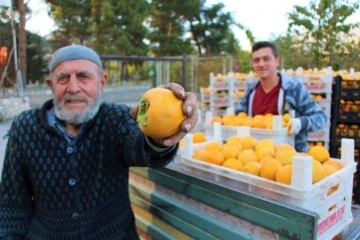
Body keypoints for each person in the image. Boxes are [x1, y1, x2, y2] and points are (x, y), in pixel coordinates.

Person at [0, 45, 199, 239]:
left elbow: (144, 149)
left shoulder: (116, 118)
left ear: (102, 83)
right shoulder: (24, 127)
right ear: (51, 85)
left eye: (83, 77)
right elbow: (12, 205)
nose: (73, 88)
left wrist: (162, 131)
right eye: (63, 78)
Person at [235, 41, 327, 152]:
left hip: (290, 157)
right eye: (256, 60)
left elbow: (321, 117)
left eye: (266, 59)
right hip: (257, 157)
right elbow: (237, 116)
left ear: (277, 61)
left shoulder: (293, 88)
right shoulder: (251, 90)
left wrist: (300, 123)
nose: (261, 64)